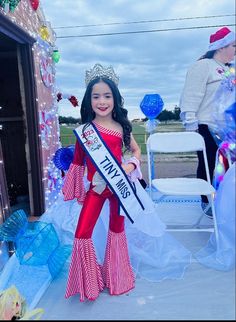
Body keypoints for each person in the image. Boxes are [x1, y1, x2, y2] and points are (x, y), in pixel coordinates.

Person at [62, 63, 146, 302]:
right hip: (96, 189)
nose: (102, 101)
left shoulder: (122, 127)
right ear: (89, 101)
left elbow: (136, 151)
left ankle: (117, 277)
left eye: (107, 96)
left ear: (115, 99)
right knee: (81, 233)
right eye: (96, 96)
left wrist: (131, 165)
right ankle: (89, 284)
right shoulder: (85, 131)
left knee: (117, 231)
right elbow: (78, 163)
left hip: (119, 188)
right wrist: (76, 189)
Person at [179, 26, 236, 217]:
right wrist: (190, 122)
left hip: (228, 129)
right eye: (234, 45)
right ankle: (207, 203)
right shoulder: (203, 66)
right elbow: (191, 94)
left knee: (228, 168)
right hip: (206, 126)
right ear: (220, 47)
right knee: (209, 165)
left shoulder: (230, 70)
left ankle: (226, 201)